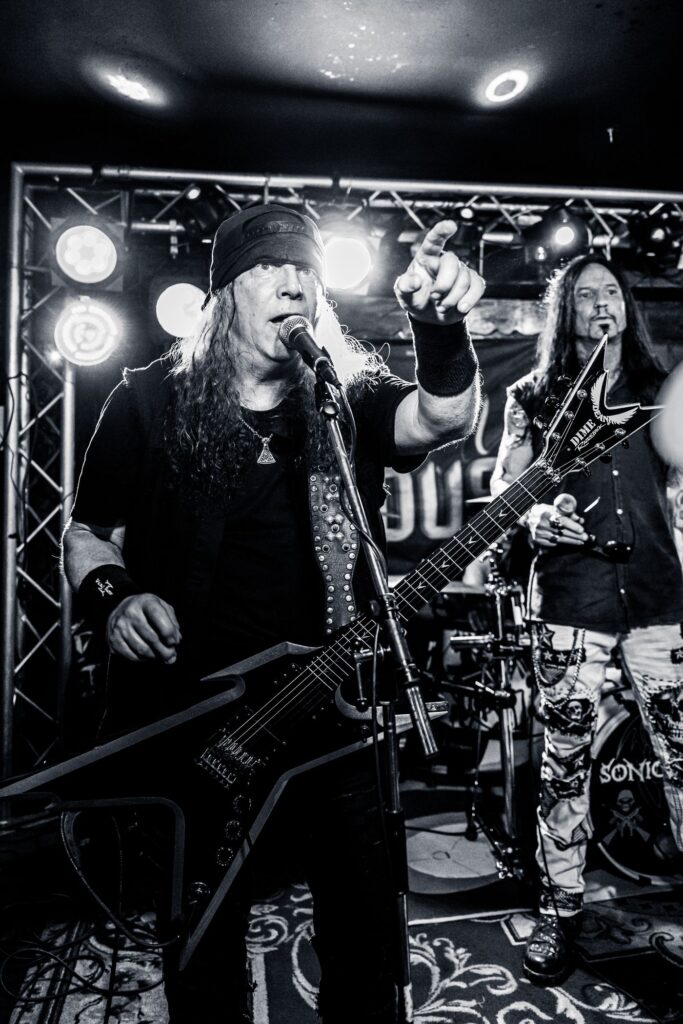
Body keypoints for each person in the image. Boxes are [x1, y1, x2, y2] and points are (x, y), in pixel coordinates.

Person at [61, 203, 485, 1023]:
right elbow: (88, 532)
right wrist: (116, 598)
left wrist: (439, 331)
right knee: (203, 949)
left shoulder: (344, 396)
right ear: (224, 293)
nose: (293, 283)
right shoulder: (147, 399)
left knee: (366, 948)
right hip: (197, 720)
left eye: (306, 271)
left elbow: (441, 416)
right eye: (269, 268)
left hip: (334, 716)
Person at [490, 253, 683, 986]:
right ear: (564, 311)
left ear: (626, 308)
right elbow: (504, 483)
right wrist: (534, 514)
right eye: (585, 295)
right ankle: (559, 909)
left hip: (659, 599)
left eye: (612, 293)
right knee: (564, 763)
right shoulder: (533, 396)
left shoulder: (658, 392)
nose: (601, 304)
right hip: (572, 599)